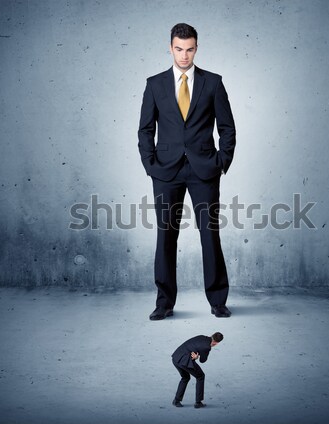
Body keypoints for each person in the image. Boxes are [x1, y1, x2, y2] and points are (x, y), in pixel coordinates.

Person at [138, 23, 236, 320]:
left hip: (204, 168)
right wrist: (150, 164)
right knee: (165, 235)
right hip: (166, 171)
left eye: (189, 49)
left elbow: (227, 128)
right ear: (170, 47)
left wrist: (221, 162)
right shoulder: (155, 84)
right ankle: (164, 303)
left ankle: (218, 300)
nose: (184, 55)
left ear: (197, 48)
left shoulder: (213, 82)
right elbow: (145, 129)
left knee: (210, 234)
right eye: (179, 49)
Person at [171, 332, 224, 408]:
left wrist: (197, 353)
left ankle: (176, 400)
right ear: (216, 343)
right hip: (184, 361)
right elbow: (203, 360)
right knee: (200, 376)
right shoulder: (207, 347)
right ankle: (198, 402)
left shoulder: (201, 336)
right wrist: (197, 357)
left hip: (176, 357)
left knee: (185, 378)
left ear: (212, 335)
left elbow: (193, 345)